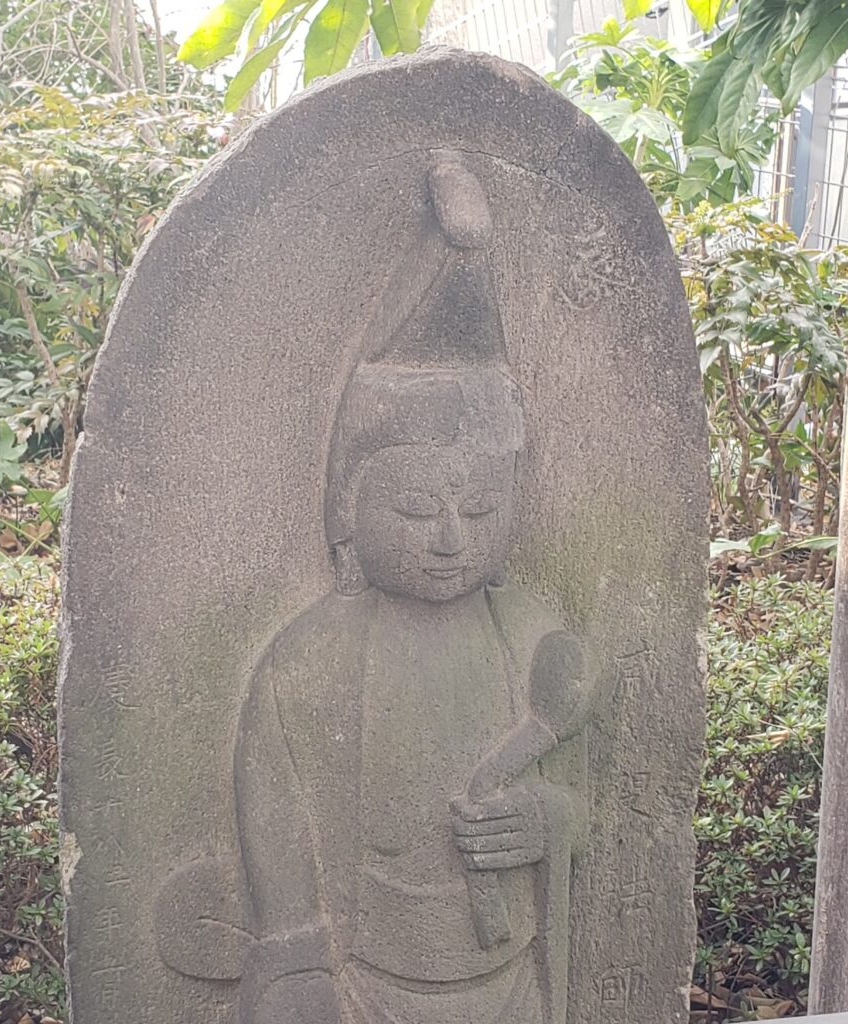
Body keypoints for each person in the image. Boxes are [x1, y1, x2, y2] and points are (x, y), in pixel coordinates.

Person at [234, 155, 594, 1024]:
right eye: (413, 508)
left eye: (478, 509)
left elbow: (586, 788)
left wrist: (552, 822)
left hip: (508, 978)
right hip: (361, 982)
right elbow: (274, 818)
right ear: (349, 515)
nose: (449, 539)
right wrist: (294, 963)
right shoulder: (311, 660)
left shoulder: (536, 644)